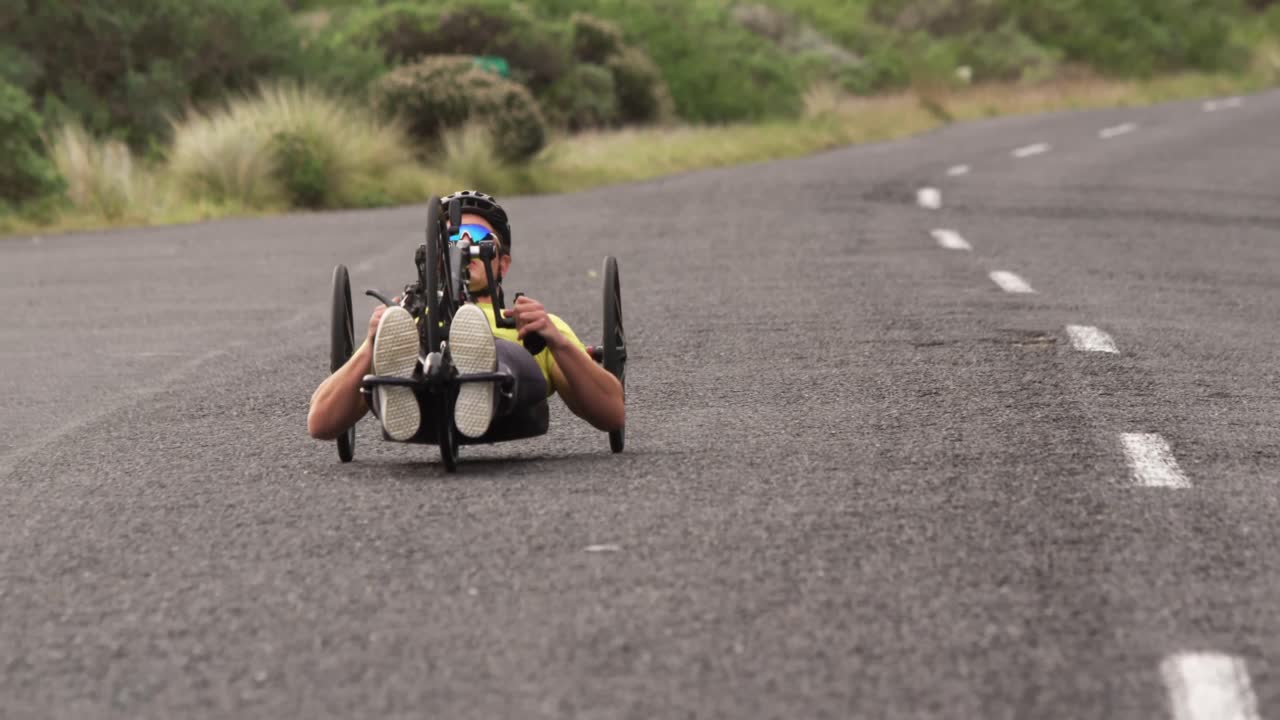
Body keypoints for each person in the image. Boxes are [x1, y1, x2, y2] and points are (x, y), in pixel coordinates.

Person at [307, 190, 624, 447]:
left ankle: (481, 372)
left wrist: (556, 341)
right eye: (451, 238)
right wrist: (371, 345)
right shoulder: (406, 321)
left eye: (476, 236)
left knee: (505, 354)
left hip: (507, 386)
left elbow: (612, 414)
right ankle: (403, 382)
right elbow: (320, 423)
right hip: (421, 383)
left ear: (502, 264)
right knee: (401, 341)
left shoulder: (529, 322)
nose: (463, 245)